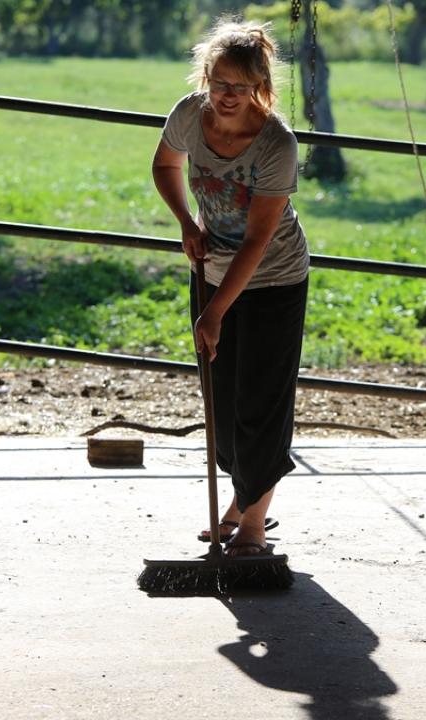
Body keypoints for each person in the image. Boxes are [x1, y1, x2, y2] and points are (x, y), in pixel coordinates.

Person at [151, 18, 310, 557]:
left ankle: (253, 526)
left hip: (272, 280)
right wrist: (186, 222)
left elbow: (258, 241)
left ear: (260, 88)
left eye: (239, 88)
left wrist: (214, 312)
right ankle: (242, 497)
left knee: (260, 402)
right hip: (214, 270)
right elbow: (165, 163)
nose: (226, 96)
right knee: (221, 402)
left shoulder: (275, 144)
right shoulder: (189, 115)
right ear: (206, 76)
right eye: (219, 83)